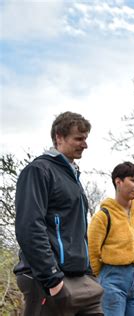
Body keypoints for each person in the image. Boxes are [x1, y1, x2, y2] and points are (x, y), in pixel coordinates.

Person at [14, 111, 104, 316]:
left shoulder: (72, 175)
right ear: (59, 137)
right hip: (48, 279)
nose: (85, 144)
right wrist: (52, 278)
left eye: (86, 139)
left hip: (80, 278)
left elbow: (77, 229)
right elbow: (29, 227)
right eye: (78, 139)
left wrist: (88, 272)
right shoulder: (39, 170)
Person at [87, 162, 134, 315]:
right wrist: (103, 279)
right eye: (133, 180)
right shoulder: (102, 216)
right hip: (112, 281)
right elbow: (92, 253)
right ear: (118, 182)